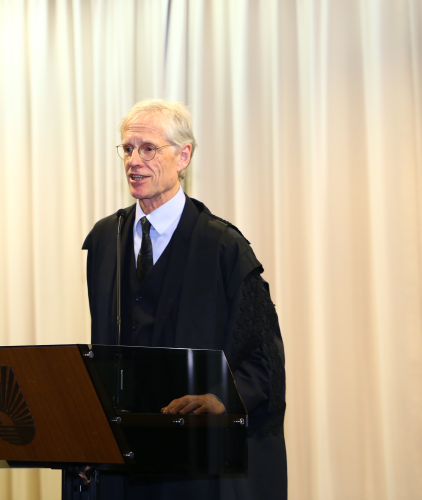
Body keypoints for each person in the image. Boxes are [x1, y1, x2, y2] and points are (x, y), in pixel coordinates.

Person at [83, 99, 287, 499]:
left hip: (198, 463)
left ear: (183, 155)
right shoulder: (106, 240)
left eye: (147, 148)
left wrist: (219, 397)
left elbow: (264, 360)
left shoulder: (223, 247)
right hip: (125, 460)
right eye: (127, 148)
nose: (134, 161)